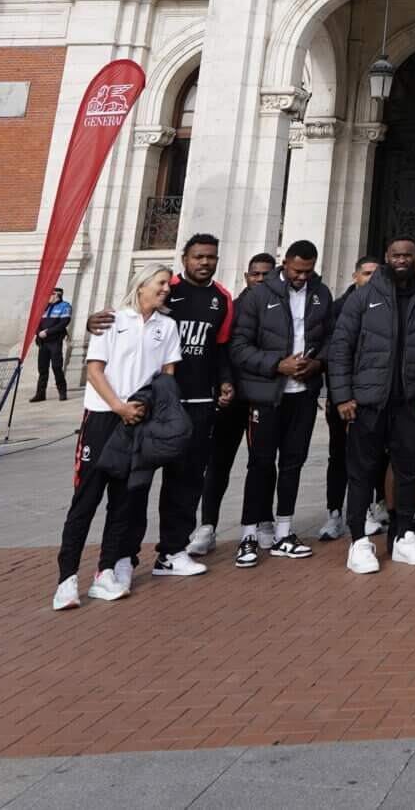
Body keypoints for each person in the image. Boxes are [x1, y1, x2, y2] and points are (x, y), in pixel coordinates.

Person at [53, 265, 181, 609]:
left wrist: (144, 407)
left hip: (139, 421)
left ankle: (105, 572)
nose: (167, 288)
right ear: (141, 286)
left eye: (168, 284)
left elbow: (166, 376)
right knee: (86, 500)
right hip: (103, 419)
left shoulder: (167, 327)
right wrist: (118, 406)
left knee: (123, 503)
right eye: (161, 283)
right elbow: (94, 369)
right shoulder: (111, 320)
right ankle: (66, 579)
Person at [330, 236, 415, 572]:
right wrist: (343, 395)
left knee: (408, 470)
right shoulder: (363, 298)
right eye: (396, 255)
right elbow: (340, 348)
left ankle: (404, 536)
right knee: (362, 472)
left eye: (409, 255)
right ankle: (359, 541)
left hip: (406, 403)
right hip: (368, 402)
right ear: (387, 258)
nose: (403, 260)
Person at [228, 239, 334, 565]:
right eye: (297, 270)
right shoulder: (259, 296)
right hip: (266, 393)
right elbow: (239, 346)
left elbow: (331, 338)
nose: (302, 276)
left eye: (308, 270)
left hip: (302, 393)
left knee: (292, 462)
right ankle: (249, 533)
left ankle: (284, 530)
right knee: (261, 463)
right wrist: (277, 364)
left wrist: (317, 364)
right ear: (284, 263)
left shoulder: (321, 294)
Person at [150, 234, 234, 577]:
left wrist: (226, 381)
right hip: (160, 402)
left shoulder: (222, 298)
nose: (204, 263)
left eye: (210, 257)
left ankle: (172, 551)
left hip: (200, 402)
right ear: (184, 258)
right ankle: (121, 556)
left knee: (187, 480)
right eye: (198, 257)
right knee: (138, 482)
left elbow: (222, 347)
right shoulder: (164, 290)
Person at [200, 251, 274, 546]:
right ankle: (207, 525)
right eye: (255, 274)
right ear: (246, 276)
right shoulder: (231, 306)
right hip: (231, 396)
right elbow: (219, 350)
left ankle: (262, 518)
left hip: (262, 396)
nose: (259, 279)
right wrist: (223, 383)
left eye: (266, 274)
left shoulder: (278, 310)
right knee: (219, 461)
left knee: (263, 461)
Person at [32, 285, 74, 401]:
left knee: (56, 367)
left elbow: (63, 323)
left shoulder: (65, 306)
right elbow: (36, 322)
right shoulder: (44, 307)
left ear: (56, 295)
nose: (47, 297)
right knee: (42, 369)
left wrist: (48, 332)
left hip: (54, 341)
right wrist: (39, 332)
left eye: (49, 295)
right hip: (43, 342)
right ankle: (40, 394)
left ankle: (62, 392)